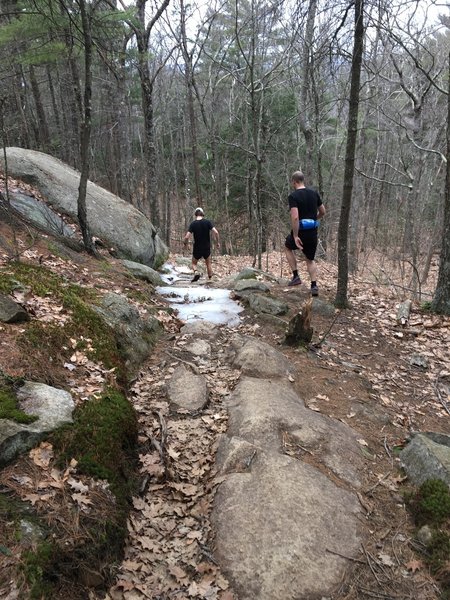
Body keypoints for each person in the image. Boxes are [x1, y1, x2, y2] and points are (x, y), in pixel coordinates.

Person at [284, 171, 325, 296]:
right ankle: (314, 286)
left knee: (287, 247)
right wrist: (313, 220)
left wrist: (296, 236)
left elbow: (295, 217)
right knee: (310, 259)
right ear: (303, 180)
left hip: (301, 231)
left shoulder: (293, 196)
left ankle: (296, 276)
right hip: (312, 231)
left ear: (294, 182)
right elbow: (323, 212)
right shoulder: (314, 193)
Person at [183, 207, 220, 282]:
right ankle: (210, 279)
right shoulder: (207, 222)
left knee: (193, 263)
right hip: (206, 247)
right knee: (208, 264)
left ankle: (196, 272)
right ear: (202, 214)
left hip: (197, 248)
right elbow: (216, 232)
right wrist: (217, 242)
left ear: (195, 214)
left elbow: (186, 237)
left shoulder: (193, 224)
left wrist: (185, 244)